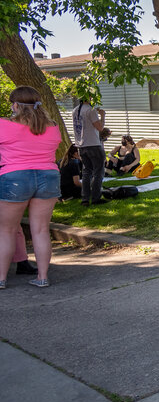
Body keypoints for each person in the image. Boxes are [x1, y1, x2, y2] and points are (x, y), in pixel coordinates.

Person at [0, 86, 64, 288]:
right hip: (49, 176)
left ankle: (1, 279)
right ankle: (42, 277)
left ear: (16, 105)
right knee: (41, 230)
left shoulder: (4, 125)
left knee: (7, 230)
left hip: (15, 177)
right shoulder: (52, 126)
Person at [71, 91, 107, 206]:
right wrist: (102, 115)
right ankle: (96, 197)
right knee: (98, 171)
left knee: (86, 172)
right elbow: (100, 128)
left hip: (81, 145)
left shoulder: (75, 110)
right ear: (90, 98)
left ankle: (85, 199)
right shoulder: (90, 111)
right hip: (93, 144)